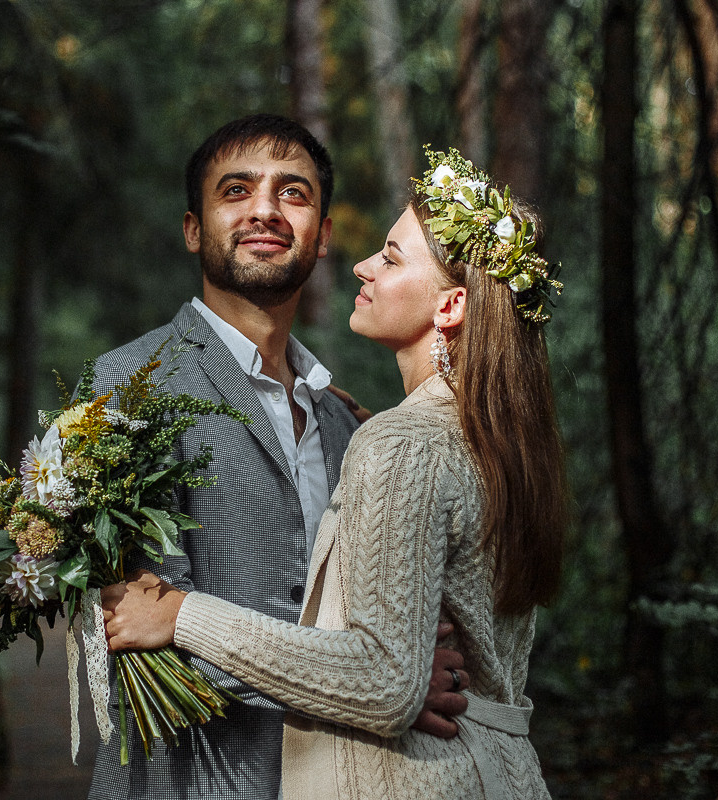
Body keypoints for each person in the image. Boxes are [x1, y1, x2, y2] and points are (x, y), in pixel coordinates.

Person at [101, 146, 568, 799]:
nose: (363, 265)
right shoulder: (497, 440)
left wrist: (183, 615)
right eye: (235, 190)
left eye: (392, 257)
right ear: (191, 225)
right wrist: (399, 673)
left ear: (452, 306)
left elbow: (382, 681)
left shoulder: (397, 440)